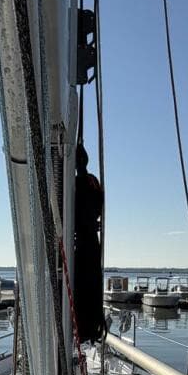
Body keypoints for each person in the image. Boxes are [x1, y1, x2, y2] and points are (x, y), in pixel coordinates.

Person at [72, 143, 105, 343]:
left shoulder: (76, 184)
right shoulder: (93, 182)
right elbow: (99, 206)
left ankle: (83, 329)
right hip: (91, 240)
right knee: (91, 282)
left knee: (82, 283)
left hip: (81, 241)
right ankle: (89, 328)